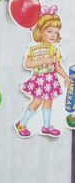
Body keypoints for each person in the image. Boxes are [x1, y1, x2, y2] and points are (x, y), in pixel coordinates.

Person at [15, 8, 69, 139]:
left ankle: (46, 126)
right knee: (37, 101)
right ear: (41, 31)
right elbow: (28, 64)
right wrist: (43, 60)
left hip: (50, 80)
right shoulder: (34, 49)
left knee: (48, 102)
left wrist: (65, 76)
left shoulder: (55, 50)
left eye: (56, 32)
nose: (53, 35)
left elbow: (57, 66)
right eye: (49, 31)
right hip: (39, 80)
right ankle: (22, 124)